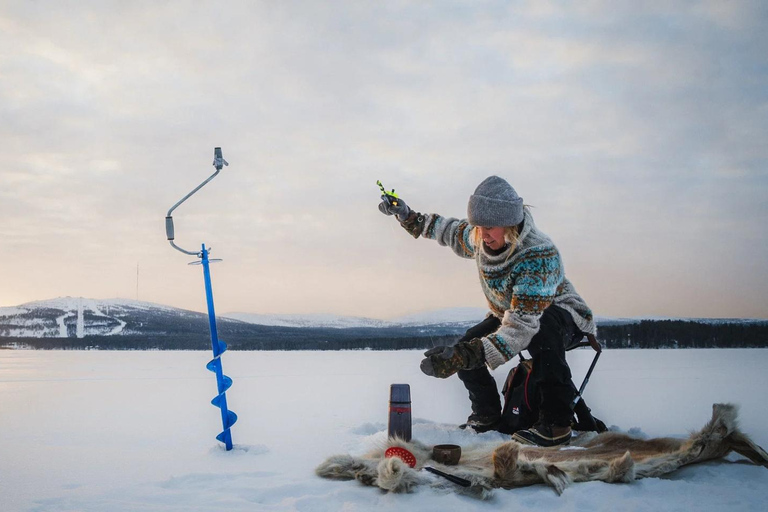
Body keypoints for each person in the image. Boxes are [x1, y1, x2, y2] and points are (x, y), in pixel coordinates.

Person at [378, 175, 596, 447]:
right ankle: (487, 414)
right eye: (479, 227)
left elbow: (522, 329)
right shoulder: (481, 237)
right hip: (512, 314)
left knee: (542, 330)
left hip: (562, 316)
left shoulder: (538, 255)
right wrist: (407, 215)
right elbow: (448, 230)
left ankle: (556, 423)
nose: (483, 234)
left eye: (490, 227)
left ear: (510, 224)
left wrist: (466, 356)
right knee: (467, 342)